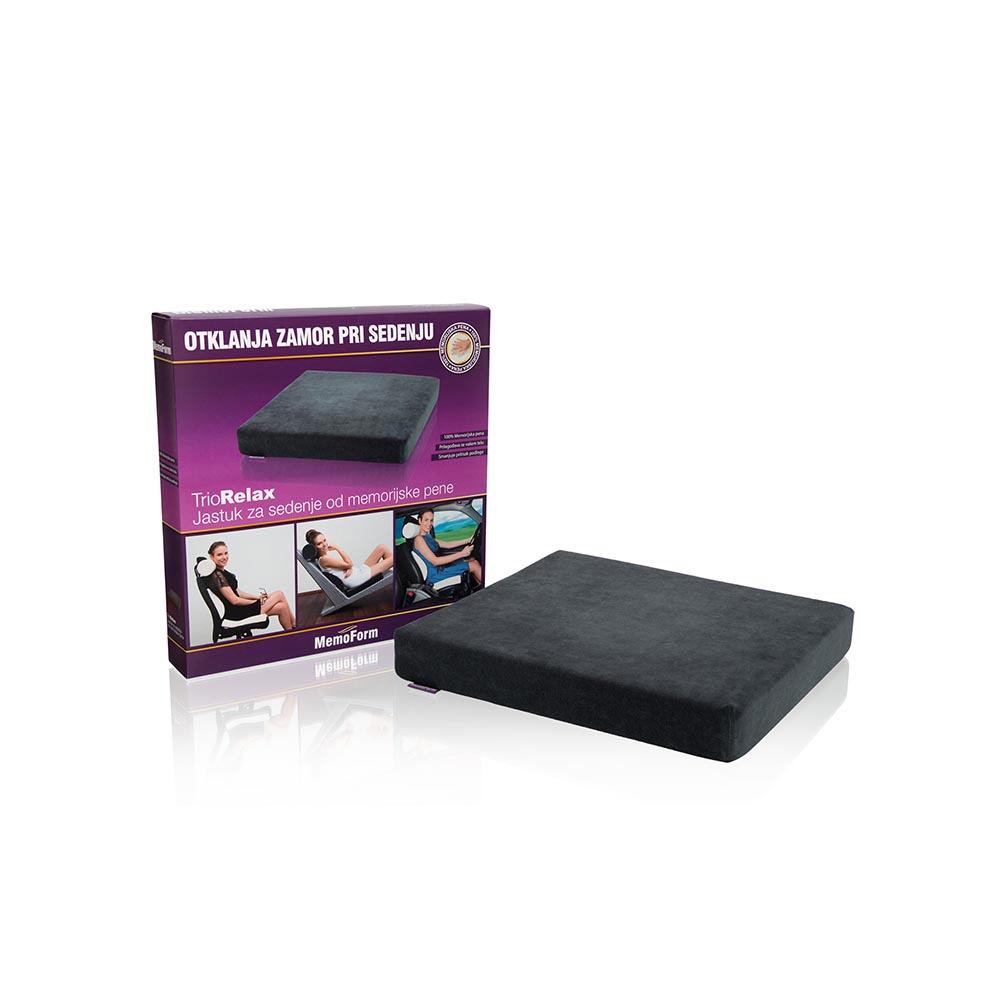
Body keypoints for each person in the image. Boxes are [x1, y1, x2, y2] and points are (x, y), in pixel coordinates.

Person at [206, 540, 295, 631]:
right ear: (211, 557)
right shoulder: (218, 576)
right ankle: (294, 624)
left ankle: (291, 633)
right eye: (219, 555)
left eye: (226, 553)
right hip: (237, 613)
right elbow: (234, 600)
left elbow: (239, 593)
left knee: (282, 607)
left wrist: (257, 597)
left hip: (239, 609)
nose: (224, 557)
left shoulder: (222, 572)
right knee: (279, 594)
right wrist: (254, 602)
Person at [412, 508, 482, 587]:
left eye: (431, 520)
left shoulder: (429, 538)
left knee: (472, 559)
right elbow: (435, 561)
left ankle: (480, 588)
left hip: (440, 569)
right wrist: (462, 553)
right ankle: (488, 589)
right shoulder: (419, 539)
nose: (429, 523)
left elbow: (448, 544)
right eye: (426, 520)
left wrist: (468, 540)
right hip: (435, 575)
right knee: (474, 565)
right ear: (420, 521)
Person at [305, 528, 393, 589]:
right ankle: (398, 577)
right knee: (393, 559)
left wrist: (349, 568)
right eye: (319, 543)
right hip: (356, 578)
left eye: (324, 540)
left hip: (356, 572)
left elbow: (346, 566)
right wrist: (337, 548)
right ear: (314, 547)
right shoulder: (324, 559)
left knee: (381, 547)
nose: (324, 544)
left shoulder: (324, 558)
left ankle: (396, 577)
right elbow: (349, 564)